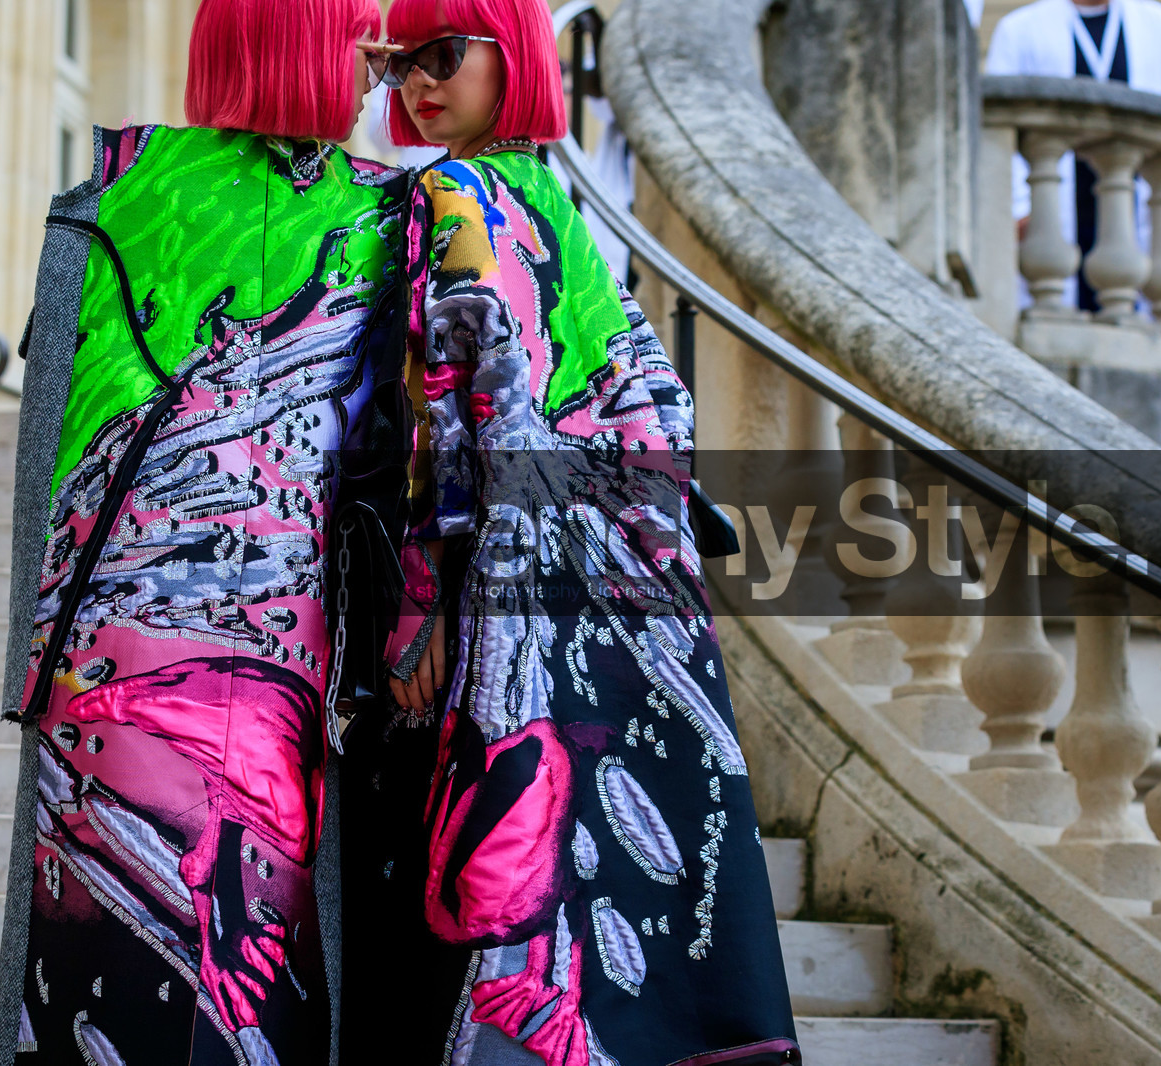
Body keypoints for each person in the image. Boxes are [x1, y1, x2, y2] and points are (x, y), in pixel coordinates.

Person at [339, 0, 801, 1063]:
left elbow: (443, 409)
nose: (416, 80)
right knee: (609, 865)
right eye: (401, 58)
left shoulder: (450, 192)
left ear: (514, 54)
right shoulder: (552, 199)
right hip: (606, 583)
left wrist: (415, 598)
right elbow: (649, 396)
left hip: (500, 584)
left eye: (444, 53)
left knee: (486, 862)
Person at [0, 1, 410, 1062]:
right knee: (109, 933)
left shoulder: (393, 213)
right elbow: (52, 442)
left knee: (257, 934)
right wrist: (27, 656)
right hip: (124, 643)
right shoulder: (127, 192)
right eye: (359, 29)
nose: (380, 59)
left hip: (283, 647)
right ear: (293, 35)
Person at [987, 0, 1161, 313]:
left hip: (1136, 204)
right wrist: (1018, 206)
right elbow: (998, 130)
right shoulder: (1019, 29)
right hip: (1050, 209)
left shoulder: (1155, 24)